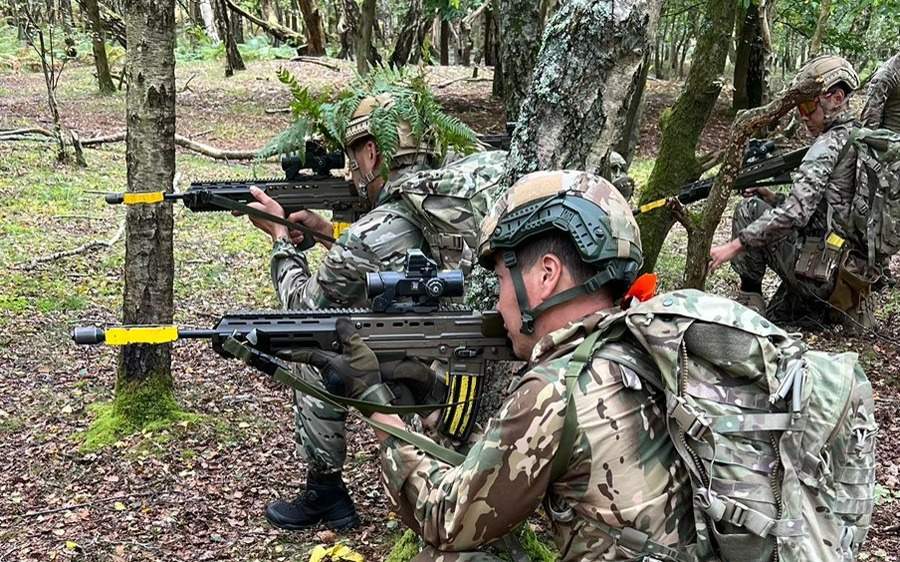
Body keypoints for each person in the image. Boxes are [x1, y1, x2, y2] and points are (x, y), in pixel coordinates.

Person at [305, 171, 696, 560]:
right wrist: (435, 401)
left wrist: (374, 404)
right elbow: (513, 464)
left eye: (500, 280)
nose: (497, 303)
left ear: (547, 275)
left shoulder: (557, 389)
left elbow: (446, 520)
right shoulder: (638, 347)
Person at [244, 92, 507, 531]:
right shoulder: (462, 194)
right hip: (495, 375)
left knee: (318, 348)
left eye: (353, 162)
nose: (352, 173)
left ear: (372, 152)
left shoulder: (372, 231)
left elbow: (302, 308)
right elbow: (390, 268)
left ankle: (325, 493)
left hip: (438, 385)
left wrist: (277, 237)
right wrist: (331, 235)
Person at [708, 55, 874, 328]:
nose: (804, 116)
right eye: (800, 108)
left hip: (823, 277)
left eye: (809, 105)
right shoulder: (860, 137)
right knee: (779, 317)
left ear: (836, 98)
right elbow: (829, 210)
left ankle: (749, 306)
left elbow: (796, 213)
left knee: (748, 210)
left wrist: (734, 246)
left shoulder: (828, 145)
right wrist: (771, 197)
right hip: (853, 278)